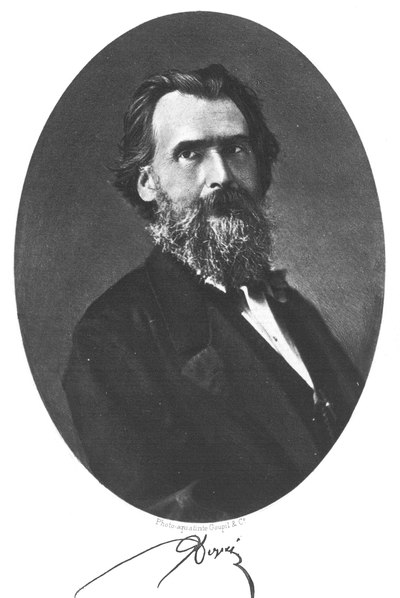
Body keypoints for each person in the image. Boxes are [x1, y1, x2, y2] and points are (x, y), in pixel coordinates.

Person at [63, 64, 362, 522]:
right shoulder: (112, 336)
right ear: (147, 182)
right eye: (190, 154)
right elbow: (168, 523)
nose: (222, 175)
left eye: (236, 149)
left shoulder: (294, 309)